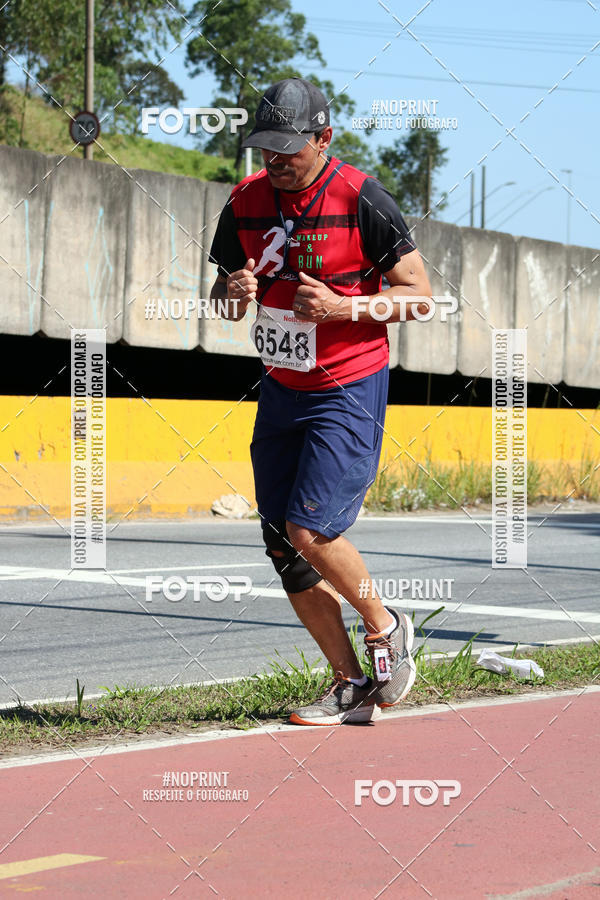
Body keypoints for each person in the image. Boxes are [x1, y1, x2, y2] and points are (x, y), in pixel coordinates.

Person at [209, 77, 432, 726]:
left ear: (324, 138)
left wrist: (344, 307)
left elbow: (419, 295)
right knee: (284, 545)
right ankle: (349, 684)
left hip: (348, 387)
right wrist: (235, 292)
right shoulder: (244, 201)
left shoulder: (362, 198)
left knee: (312, 529)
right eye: (266, 150)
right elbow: (221, 300)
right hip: (282, 389)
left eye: (289, 151)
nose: (277, 163)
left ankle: (387, 623)